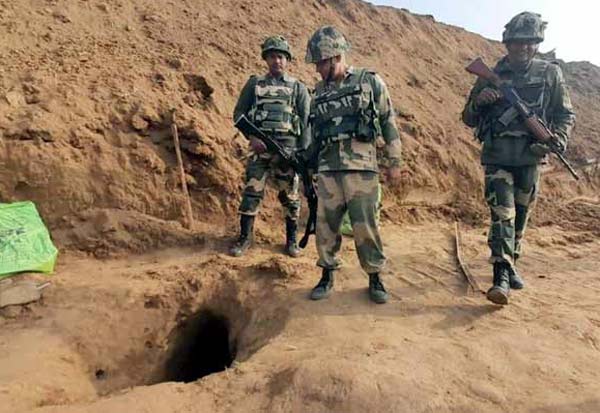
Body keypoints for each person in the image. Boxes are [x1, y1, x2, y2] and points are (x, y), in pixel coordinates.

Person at [461, 12, 575, 305]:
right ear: (507, 43)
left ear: (537, 44)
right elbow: (468, 118)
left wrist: (558, 138)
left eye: (530, 42)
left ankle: (511, 262)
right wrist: (480, 102)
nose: (523, 47)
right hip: (497, 157)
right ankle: (500, 273)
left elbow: (564, 114)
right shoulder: (491, 75)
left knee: (521, 217)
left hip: (530, 158)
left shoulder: (550, 73)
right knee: (503, 215)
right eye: (517, 42)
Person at [304, 26, 403, 304]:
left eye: (320, 63)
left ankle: (375, 276)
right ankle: (327, 274)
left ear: (335, 56)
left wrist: (394, 161)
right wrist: (308, 165)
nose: (317, 69)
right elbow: (315, 134)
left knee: (365, 226)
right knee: (326, 227)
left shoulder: (369, 81)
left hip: (361, 168)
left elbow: (388, 121)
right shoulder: (318, 92)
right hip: (328, 169)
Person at [230, 35, 311, 258]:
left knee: (290, 197)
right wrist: (251, 137)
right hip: (261, 150)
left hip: (287, 151)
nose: (277, 61)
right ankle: (245, 238)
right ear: (266, 59)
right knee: (251, 193)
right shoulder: (255, 84)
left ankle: (291, 241)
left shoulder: (298, 88)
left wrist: (301, 154)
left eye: (281, 57)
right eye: (273, 56)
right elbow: (239, 114)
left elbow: (306, 123)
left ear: (287, 60)